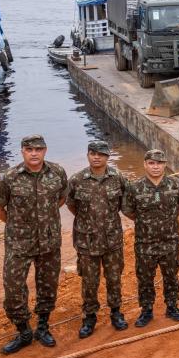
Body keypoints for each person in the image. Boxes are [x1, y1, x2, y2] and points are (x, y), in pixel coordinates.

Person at [0, 135, 69, 354]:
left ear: (45, 151)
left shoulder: (57, 172)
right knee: (13, 288)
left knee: (47, 286)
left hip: (49, 241)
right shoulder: (9, 177)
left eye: (38, 149)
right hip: (19, 243)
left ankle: (43, 326)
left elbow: (61, 198)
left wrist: (45, 220)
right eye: (29, 149)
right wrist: (16, 225)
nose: (34, 153)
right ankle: (24, 331)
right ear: (22, 152)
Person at [122, 149, 179, 326]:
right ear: (145, 164)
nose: (155, 167)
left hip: (170, 240)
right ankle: (146, 311)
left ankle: (172, 307)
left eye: (159, 163)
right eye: (151, 163)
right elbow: (128, 210)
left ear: (165, 165)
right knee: (145, 279)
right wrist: (146, 222)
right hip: (145, 243)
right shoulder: (134, 187)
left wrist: (167, 220)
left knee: (171, 276)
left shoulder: (176, 185)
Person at [66, 140, 128, 338]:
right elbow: (71, 205)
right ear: (88, 155)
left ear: (107, 157)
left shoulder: (117, 178)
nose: (96, 157)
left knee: (114, 278)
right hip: (87, 240)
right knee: (89, 281)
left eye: (101, 154)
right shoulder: (77, 180)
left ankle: (116, 312)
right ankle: (89, 316)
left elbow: (123, 203)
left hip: (112, 239)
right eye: (92, 153)